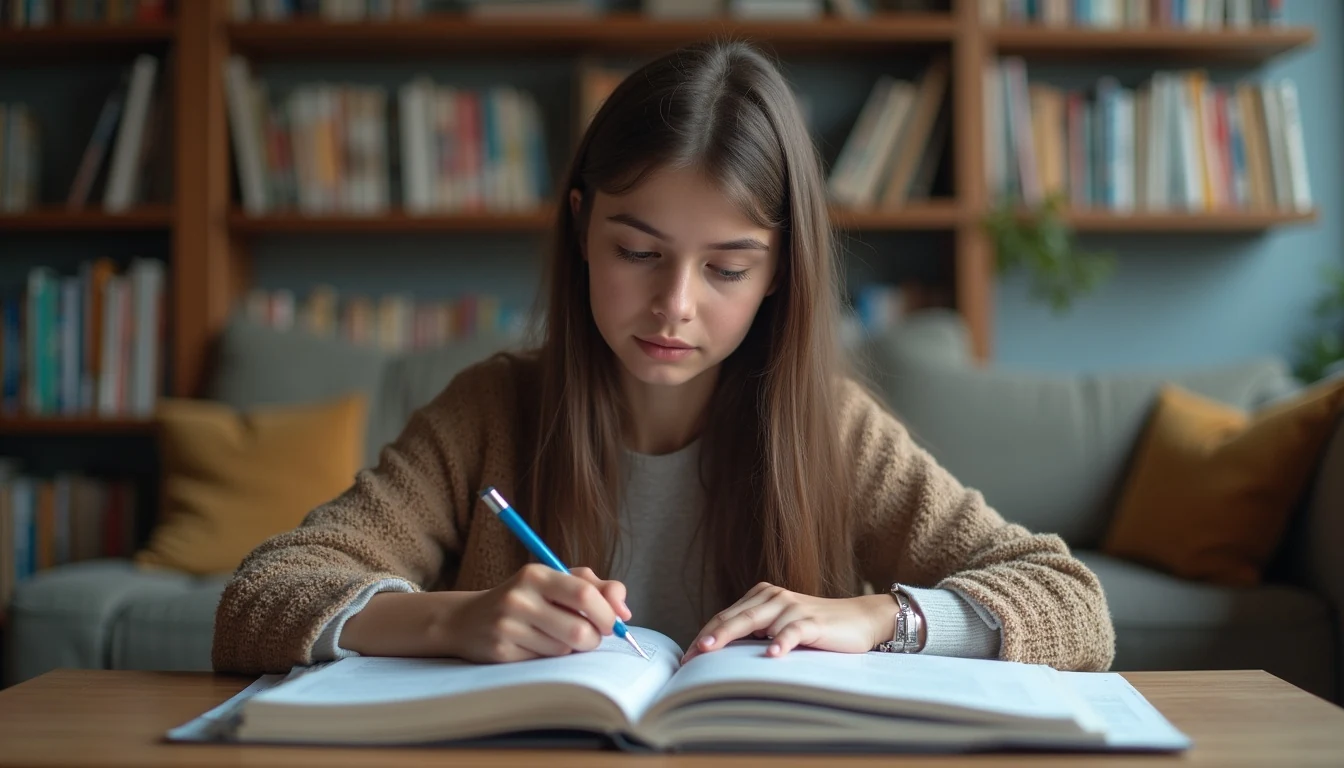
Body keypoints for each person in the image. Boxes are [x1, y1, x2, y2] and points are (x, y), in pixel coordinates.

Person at [212, 40, 1115, 675]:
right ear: (580, 231)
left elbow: (1071, 603)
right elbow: (263, 596)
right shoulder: (492, 411)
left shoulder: (832, 432)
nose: (673, 306)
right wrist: (454, 617)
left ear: (779, 274)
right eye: (637, 252)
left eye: (727, 267)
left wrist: (883, 618)